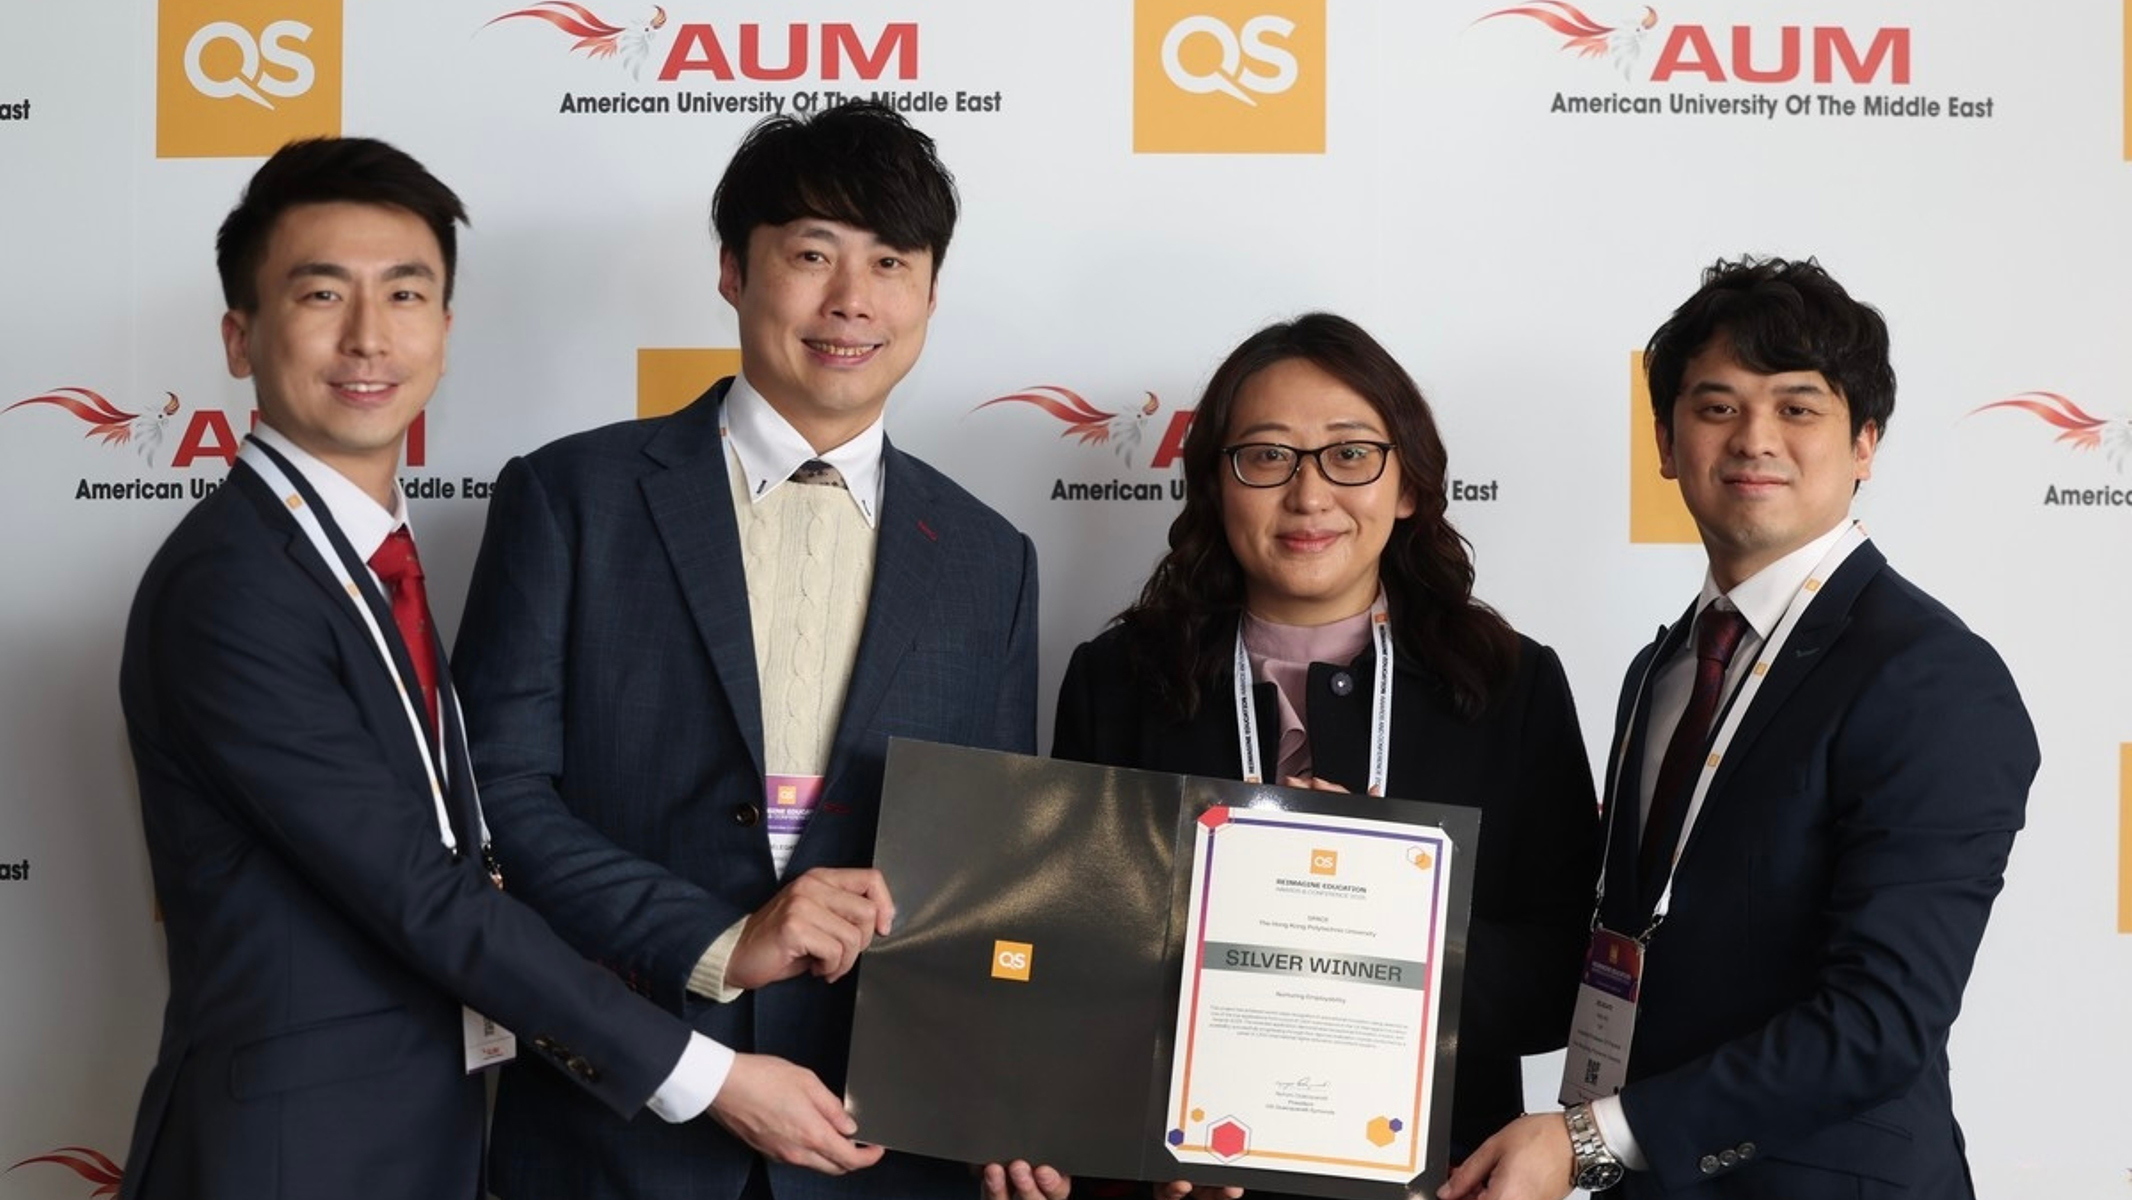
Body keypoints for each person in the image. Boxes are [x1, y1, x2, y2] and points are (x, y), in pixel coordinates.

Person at [115, 136, 857, 1200]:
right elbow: (422, 896)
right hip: (292, 1159)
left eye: (405, 295)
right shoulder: (233, 587)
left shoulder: (364, 565)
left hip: (421, 1140)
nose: (369, 336)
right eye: (321, 294)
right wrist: (706, 1073)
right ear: (240, 337)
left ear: (446, 333)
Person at [453, 101, 1056, 1200]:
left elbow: (993, 866)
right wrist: (718, 940)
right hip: (618, 1131)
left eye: (890, 262)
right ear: (732, 270)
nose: (851, 302)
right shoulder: (570, 498)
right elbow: (497, 792)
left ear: (929, 292)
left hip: (882, 1149)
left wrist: (1014, 1091)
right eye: (811, 254)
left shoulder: (988, 557)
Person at [1441, 257, 2038, 1200]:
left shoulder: (1929, 675)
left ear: (1866, 444)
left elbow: (1879, 1022)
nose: (1755, 438)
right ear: (1668, 444)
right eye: (1717, 407)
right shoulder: (1666, 667)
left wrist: (1596, 1139)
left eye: (1799, 407)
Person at [1052, 312, 1600, 1196]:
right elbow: (1071, 953)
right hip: (1185, 1174)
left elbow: (1562, 979)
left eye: (1350, 455)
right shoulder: (1119, 681)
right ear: (1214, 484)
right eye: (1266, 457)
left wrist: (1388, 905)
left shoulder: (1508, 684)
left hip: (1437, 1177)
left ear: (1410, 483)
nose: (1308, 497)